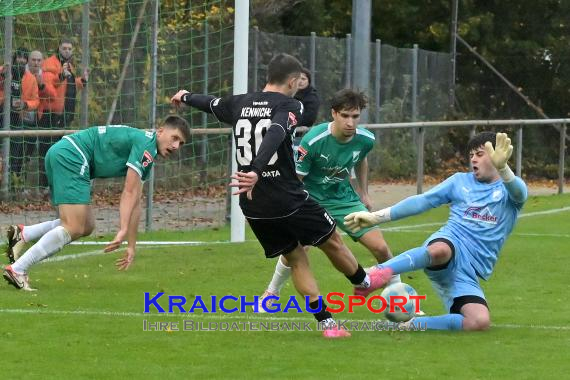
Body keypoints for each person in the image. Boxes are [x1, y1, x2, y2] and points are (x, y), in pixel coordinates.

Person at [171, 53, 373, 338]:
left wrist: (186, 96)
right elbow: (277, 131)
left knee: (296, 257)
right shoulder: (291, 104)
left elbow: (211, 103)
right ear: (292, 81)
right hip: (286, 196)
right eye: (298, 83)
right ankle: (365, 282)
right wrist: (256, 168)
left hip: (252, 203)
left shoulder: (239, 102)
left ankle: (327, 324)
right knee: (333, 241)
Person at [344, 132, 528, 331]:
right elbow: (423, 201)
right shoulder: (460, 181)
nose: (473, 158)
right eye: (471, 154)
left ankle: (410, 325)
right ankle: (377, 275)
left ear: (496, 156)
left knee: (478, 322)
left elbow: (520, 192)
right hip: (449, 242)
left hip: (469, 271)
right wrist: (375, 217)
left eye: (480, 154)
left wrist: (504, 169)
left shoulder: (509, 192)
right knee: (440, 250)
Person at [3, 115, 190, 291]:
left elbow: (135, 203)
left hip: (66, 153)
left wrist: (131, 245)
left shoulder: (147, 148)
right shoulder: (146, 147)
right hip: (72, 156)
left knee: (86, 225)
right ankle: (18, 269)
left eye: (180, 143)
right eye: (174, 138)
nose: (176, 146)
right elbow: (129, 191)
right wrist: (122, 229)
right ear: (160, 131)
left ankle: (24, 234)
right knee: (74, 226)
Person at [256, 89, 401, 312]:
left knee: (381, 247)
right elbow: (297, 178)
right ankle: (271, 292)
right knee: (298, 249)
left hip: (344, 199)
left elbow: (361, 161)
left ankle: (398, 294)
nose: (350, 122)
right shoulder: (314, 139)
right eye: (345, 116)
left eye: (355, 116)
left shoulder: (366, 139)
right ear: (334, 114)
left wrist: (364, 192)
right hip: (311, 199)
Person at [38, 37, 89, 188]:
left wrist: (82, 81)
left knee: (61, 151)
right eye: (64, 48)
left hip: (65, 115)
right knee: (48, 150)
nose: (67, 51)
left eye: (69, 49)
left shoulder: (68, 66)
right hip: (50, 114)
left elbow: (69, 86)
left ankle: (57, 184)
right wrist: (61, 75)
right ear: (58, 48)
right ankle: (45, 186)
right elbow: (49, 88)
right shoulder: (50, 64)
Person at [0, 48, 40, 187]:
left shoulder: (30, 78)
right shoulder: (3, 71)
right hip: (1, 113)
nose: (21, 60)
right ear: (14, 58)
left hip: (18, 117)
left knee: (16, 151)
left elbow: (36, 101)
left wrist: (25, 104)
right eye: (19, 57)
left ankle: (14, 184)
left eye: (24, 58)